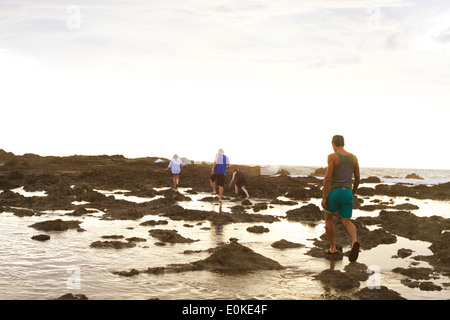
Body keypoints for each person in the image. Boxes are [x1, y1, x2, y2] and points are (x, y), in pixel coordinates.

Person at [321, 135, 361, 262]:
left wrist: (324, 197)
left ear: (333, 144)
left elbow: (327, 178)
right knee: (347, 221)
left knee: (328, 218)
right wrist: (352, 192)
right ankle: (355, 241)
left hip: (335, 192)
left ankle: (332, 247)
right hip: (347, 192)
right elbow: (358, 177)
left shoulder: (332, 157)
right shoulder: (354, 158)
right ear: (343, 143)